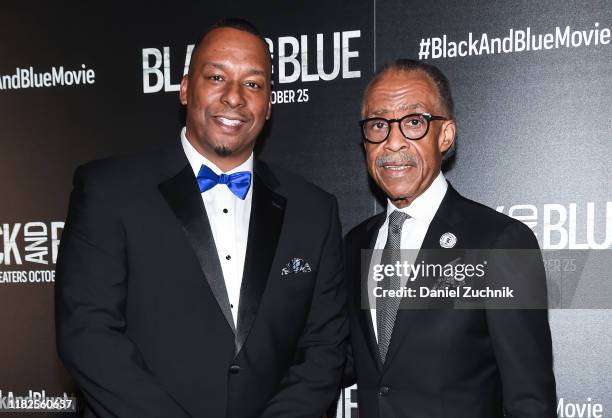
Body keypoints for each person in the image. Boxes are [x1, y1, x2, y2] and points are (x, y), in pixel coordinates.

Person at [55, 18, 347, 418]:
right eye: (216, 77)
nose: (234, 97)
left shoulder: (314, 210)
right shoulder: (109, 190)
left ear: (270, 103)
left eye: (254, 84)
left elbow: (323, 349)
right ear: (185, 88)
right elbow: (87, 334)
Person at [343, 59, 557, 417]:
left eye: (414, 122)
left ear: (445, 136)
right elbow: (351, 360)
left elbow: (529, 400)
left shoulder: (501, 242)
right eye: (378, 125)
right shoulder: (354, 245)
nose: (393, 143)